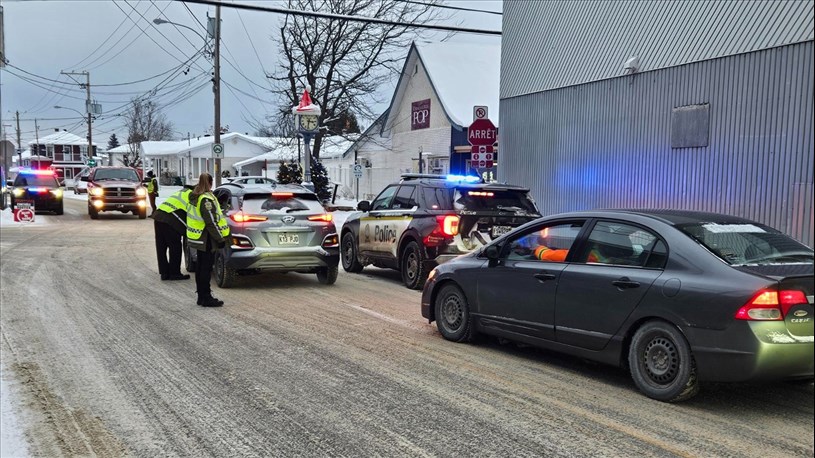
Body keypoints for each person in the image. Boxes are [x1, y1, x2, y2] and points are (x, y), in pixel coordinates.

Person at [186, 173, 229, 307]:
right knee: (205, 268)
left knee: (200, 267)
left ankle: (201, 296)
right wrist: (219, 238)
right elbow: (210, 222)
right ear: (210, 183)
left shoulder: (195, 196)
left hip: (197, 237)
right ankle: (206, 297)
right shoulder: (206, 200)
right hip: (205, 238)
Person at [152, 188, 192, 281]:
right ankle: (174, 273)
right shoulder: (194, 196)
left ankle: (164, 273)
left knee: (161, 246)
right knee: (175, 247)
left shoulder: (184, 192)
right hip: (170, 219)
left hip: (159, 215)